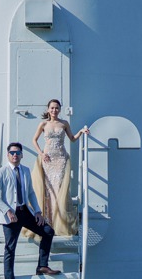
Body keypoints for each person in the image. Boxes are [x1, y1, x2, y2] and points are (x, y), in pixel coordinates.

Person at [0, 142, 61, 277]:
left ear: (21, 155)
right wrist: (7, 210)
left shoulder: (26, 170)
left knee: (48, 231)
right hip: (11, 215)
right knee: (10, 248)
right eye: (12, 153)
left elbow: (30, 193)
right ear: (8, 155)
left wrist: (38, 212)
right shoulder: (2, 172)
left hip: (25, 211)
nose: (15, 155)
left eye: (17, 152)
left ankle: (42, 266)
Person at [31, 100, 89, 237]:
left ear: (59, 109)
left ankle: (60, 223)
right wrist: (41, 153)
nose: (54, 110)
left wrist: (81, 131)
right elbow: (34, 140)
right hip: (48, 159)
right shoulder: (43, 124)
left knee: (58, 190)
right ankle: (47, 222)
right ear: (48, 109)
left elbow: (72, 138)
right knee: (48, 190)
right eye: (52, 108)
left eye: (57, 108)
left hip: (61, 159)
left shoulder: (64, 123)